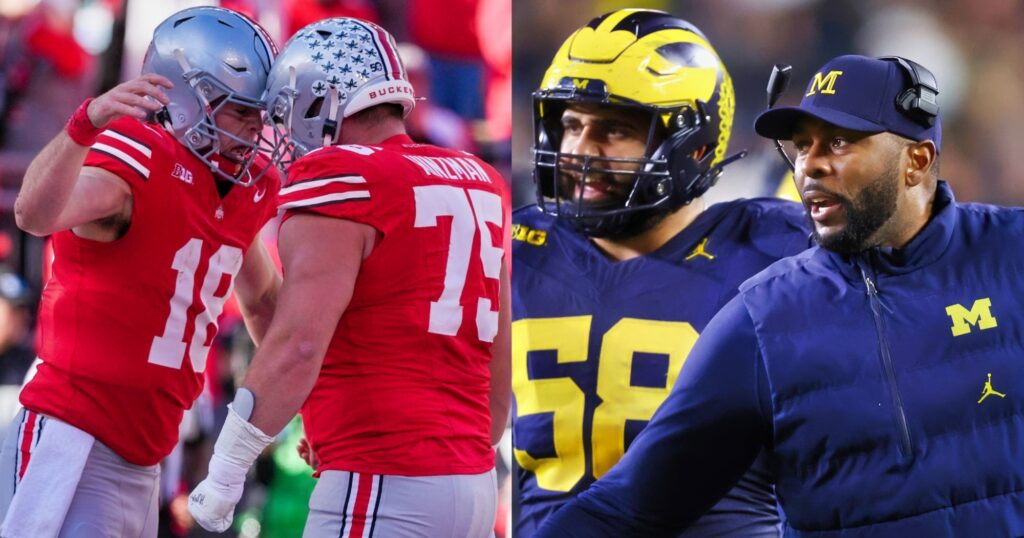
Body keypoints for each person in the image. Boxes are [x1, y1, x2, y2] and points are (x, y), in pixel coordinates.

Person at [535, 53, 1024, 536]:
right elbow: (628, 508)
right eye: (802, 145)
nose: (810, 166)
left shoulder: (1012, 253)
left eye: (837, 142)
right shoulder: (765, 318)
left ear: (916, 161)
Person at [187, 17, 511, 538]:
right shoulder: (482, 180)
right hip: (472, 482)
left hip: (382, 479)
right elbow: (496, 370)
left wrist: (224, 474)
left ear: (320, 103)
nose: (284, 132)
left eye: (287, 113)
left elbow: (296, 343)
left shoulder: (344, 177)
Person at [512, 9, 810, 537]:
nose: (579, 151)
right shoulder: (514, 249)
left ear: (694, 146)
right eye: (571, 125)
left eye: (614, 129)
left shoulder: (775, 253)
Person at [0, 7, 282, 536]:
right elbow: (33, 215)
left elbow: (266, 301)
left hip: (148, 451)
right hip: (73, 438)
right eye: (242, 110)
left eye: (260, 114)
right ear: (185, 98)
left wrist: (295, 405)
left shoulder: (240, 192)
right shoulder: (138, 160)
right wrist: (84, 126)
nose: (256, 128)